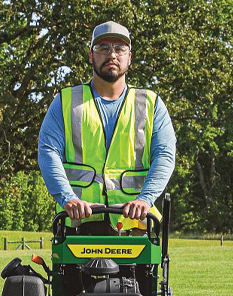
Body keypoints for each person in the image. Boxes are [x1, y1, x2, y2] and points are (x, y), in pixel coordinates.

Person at [37, 21, 175, 230]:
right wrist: (68, 199)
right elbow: (48, 152)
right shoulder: (65, 101)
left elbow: (164, 155)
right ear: (91, 56)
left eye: (119, 48)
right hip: (78, 223)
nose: (112, 55)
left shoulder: (151, 103)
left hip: (135, 224)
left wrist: (145, 200)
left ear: (129, 57)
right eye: (103, 48)